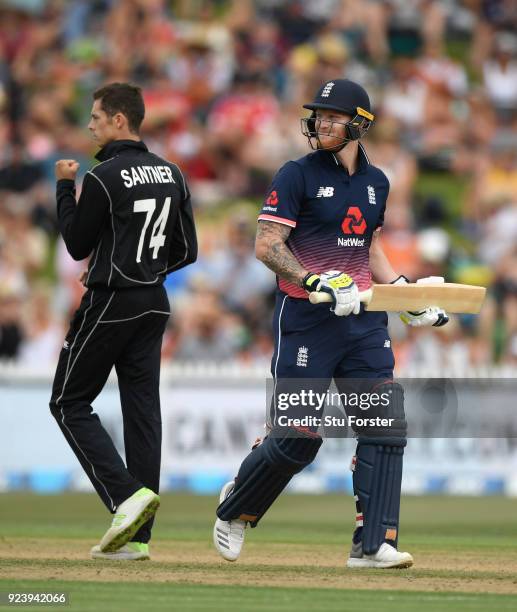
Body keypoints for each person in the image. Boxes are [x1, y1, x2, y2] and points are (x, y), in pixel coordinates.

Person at [213, 79, 448, 569]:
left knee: (384, 427)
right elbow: (267, 245)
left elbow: (370, 249)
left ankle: (373, 544)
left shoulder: (377, 181)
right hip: (307, 322)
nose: (321, 123)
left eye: (332, 117)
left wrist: (407, 296)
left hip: (363, 322)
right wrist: (313, 279)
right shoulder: (295, 174)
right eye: (318, 115)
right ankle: (236, 507)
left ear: (358, 124)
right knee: (298, 436)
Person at [50, 83, 197, 561]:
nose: (89, 125)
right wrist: (148, 272)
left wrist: (63, 187)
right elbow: (187, 250)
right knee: (142, 417)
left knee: (68, 402)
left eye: (95, 117)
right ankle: (138, 539)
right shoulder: (172, 173)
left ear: (119, 120)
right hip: (154, 302)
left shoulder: (102, 176)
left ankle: (123, 496)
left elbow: (75, 244)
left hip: (112, 300)